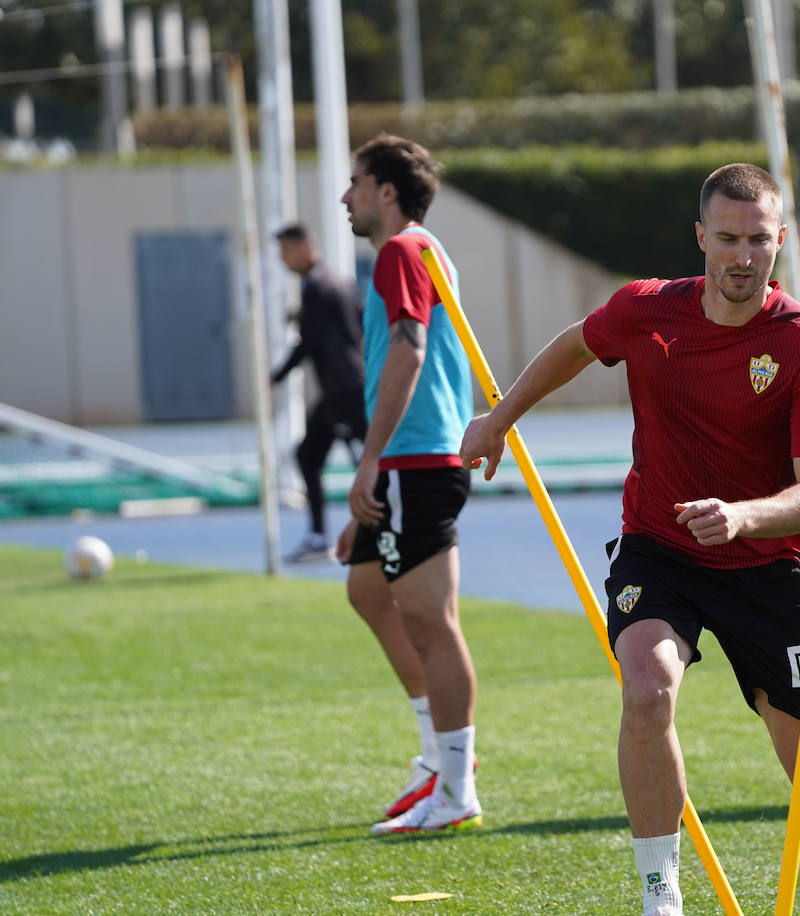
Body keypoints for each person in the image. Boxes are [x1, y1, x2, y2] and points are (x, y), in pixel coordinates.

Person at [461, 164, 800, 916]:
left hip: (765, 568)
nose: (741, 256)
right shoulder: (646, 310)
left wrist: (745, 515)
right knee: (647, 693)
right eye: (726, 239)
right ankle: (662, 897)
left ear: (780, 240)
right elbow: (577, 346)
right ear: (700, 238)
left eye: (757, 240)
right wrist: (499, 417)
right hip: (661, 549)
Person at [333, 133, 482, 835]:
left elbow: (411, 350)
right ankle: (437, 758)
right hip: (408, 462)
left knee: (431, 622)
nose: (345, 196)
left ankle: (455, 785)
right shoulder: (425, 248)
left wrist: (371, 462)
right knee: (367, 589)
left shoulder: (400, 252)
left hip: (417, 461)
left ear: (386, 191)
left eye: (356, 182)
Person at [270, 223, 368, 564]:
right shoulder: (338, 281)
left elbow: (309, 342)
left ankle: (374, 534)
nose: (283, 260)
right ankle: (319, 536)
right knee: (310, 455)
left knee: (369, 464)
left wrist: (277, 375)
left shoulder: (318, 285)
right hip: (342, 390)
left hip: (346, 392)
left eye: (285, 251)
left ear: (304, 246)